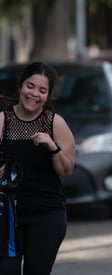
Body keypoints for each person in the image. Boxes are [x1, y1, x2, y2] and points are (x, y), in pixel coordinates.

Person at [0, 62, 75, 275]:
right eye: (30, 86)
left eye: (42, 90)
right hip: (7, 215)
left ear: (48, 95)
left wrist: (53, 147)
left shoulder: (55, 123)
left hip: (46, 215)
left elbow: (66, 169)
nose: (34, 94)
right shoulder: (3, 120)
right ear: (20, 86)